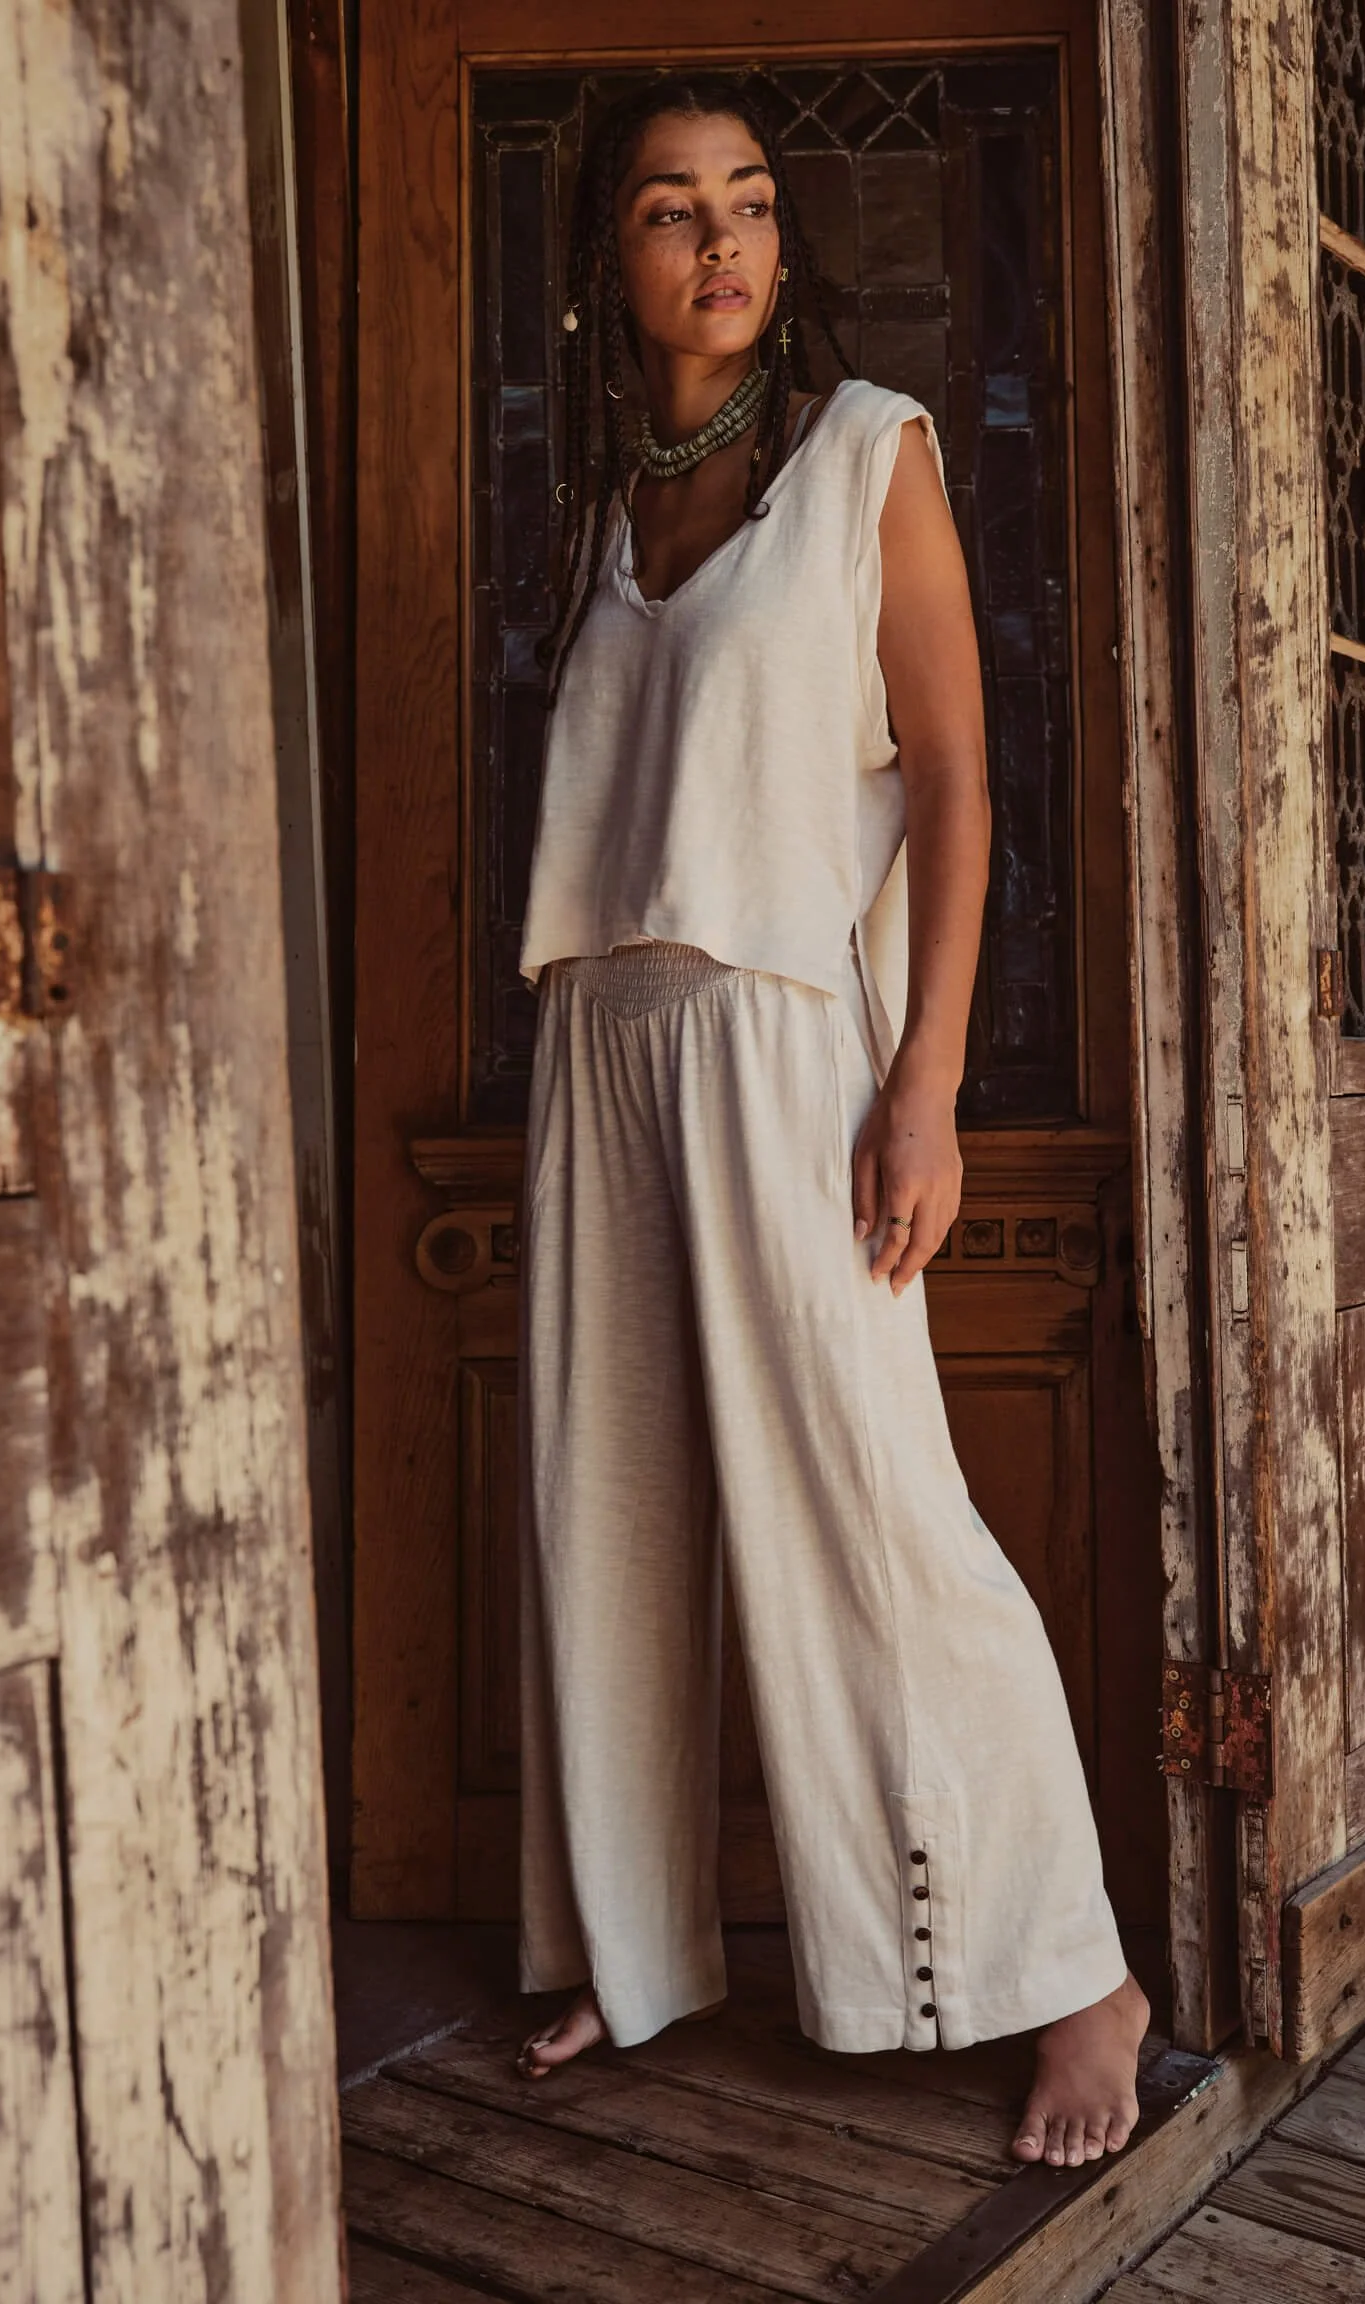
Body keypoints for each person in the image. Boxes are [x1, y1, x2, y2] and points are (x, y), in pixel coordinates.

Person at [511, 70, 1150, 2170]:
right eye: (672, 211)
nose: (721, 243)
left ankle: (1071, 1969)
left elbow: (959, 786)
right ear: (613, 261)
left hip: (790, 1039)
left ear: (787, 245)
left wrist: (929, 1081)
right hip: (599, 1036)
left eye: (753, 204)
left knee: (880, 1511)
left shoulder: (869, 456)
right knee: (605, 1504)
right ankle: (636, 1937)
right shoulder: (612, 508)